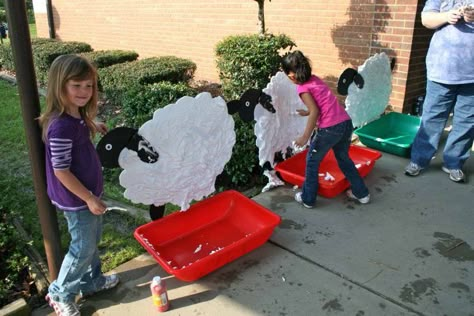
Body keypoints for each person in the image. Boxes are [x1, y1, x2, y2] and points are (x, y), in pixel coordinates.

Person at [38, 54, 119, 316]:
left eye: (89, 86)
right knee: (83, 245)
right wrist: (89, 198)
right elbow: (61, 170)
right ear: (60, 85)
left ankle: (91, 281)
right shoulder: (61, 126)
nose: (84, 92)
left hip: (87, 194)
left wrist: (94, 124)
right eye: (77, 86)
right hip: (77, 199)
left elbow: (79, 125)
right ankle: (60, 293)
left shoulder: (75, 116)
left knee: (91, 240)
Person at [281, 50, 370, 208]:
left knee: (312, 161)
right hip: (344, 123)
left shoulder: (302, 88)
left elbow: (315, 111)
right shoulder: (315, 80)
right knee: (343, 158)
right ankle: (361, 193)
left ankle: (308, 198)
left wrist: (304, 137)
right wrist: (307, 111)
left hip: (330, 129)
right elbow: (320, 105)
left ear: (291, 75)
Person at [405, 1, 474, 183]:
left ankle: (454, 163)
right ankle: (419, 160)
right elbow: (426, 19)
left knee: (466, 121)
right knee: (432, 118)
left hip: (472, 75)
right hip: (442, 70)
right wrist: (446, 16)